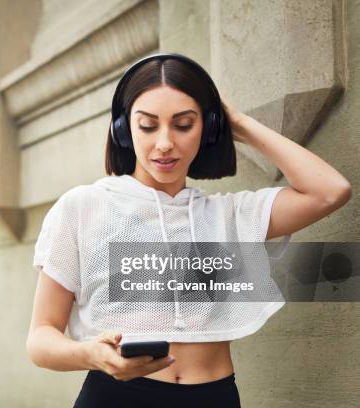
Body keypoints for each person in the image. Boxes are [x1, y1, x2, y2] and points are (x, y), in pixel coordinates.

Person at [25, 53, 351, 408]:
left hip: (214, 397)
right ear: (123, 129)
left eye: (183, 124)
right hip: (114, 397)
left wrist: (238, 124)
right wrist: (92, 355)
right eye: (148, 126)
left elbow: (330, 191)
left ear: (207, 129)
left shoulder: (229, 215)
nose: (164, 142)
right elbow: (41, 339)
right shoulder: (82, 208)